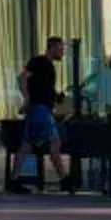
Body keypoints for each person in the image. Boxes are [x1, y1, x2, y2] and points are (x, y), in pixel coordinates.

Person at [16, 36, 70, 195]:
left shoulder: (49, 67)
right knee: (55, 141)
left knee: (27, 145)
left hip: (41, 108)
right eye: (60, 48)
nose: (62, 52)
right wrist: (27, 98)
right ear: (52, 48)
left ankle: (14, 179)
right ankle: (64, 179)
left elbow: (43, 87)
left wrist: (56, 96)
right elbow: (22, 78)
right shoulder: (38, 62)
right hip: (40, 109)